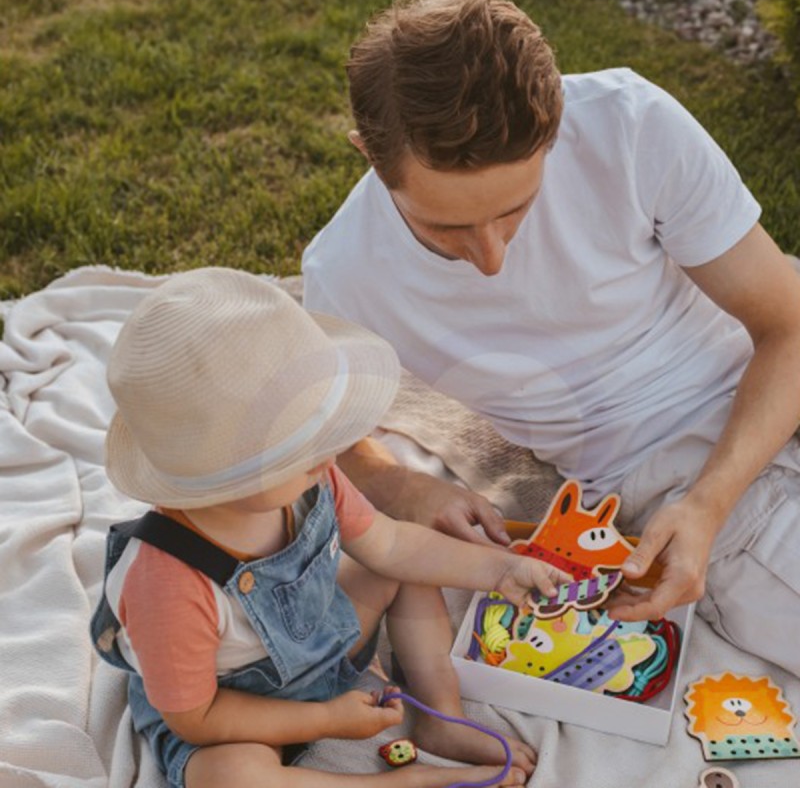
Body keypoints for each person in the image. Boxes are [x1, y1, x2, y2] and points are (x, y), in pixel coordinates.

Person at [301, 0, 800, 677]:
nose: (492, 258)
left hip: (766, 389)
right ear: (367, 153)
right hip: (663, 462)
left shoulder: (630, 126)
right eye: (445, 228)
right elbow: (323, 437)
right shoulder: (345, 274)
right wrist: (410, 492)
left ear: (558, 126)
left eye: (516, 209)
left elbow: (787, 324)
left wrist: (708, 507)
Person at [90, 267, 568, 788]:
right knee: (229, 776)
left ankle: (438, 715)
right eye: (301, 444)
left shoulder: (312, 478)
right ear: (218, 476)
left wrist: (500, 570)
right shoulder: (166, 582)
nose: (329, 452)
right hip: (235, 712)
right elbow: (196, 718)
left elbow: (391, 546)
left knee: (406, 565)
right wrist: (331, 720)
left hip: (323, 646)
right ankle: (394, 783)